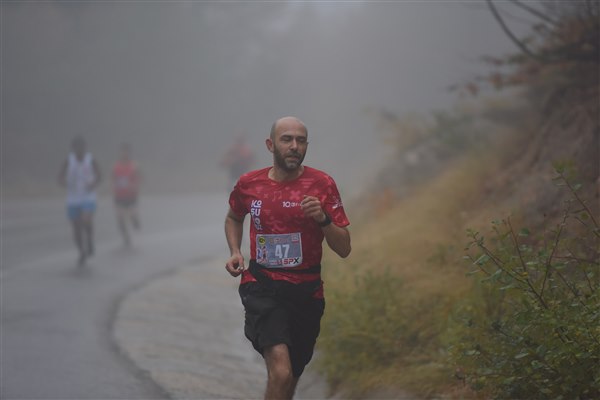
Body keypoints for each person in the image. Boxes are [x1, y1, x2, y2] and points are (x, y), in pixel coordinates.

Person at [224, 116, 351, 400]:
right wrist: (235, 251)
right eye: (287, 139)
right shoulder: (249, 183)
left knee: (291, 375)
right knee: (281, 373)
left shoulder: (322, 184)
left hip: (307, 292)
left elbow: (344, 248)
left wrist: (323, 218)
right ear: (270, 145)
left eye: (300, 140)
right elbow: (234, 216)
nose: (294, 146)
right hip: (262, 286)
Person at [58, 136, 102, 266]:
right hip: (73, 198)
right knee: (76, 227)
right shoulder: (69, 160)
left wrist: (93, 184)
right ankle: (81, 251)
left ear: (85, 148)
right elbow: (60, 176)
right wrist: (63, 182)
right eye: (77, 148)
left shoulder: (90, 159)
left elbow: (99, 175)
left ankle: (89, 240)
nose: (79, 150)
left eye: (82, 147)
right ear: (73, 149)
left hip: (88, 196)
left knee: (86, 219)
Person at [111, 142, 141, 246]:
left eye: (126, 152)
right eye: (122, 152)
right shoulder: (116, 166)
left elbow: (138, 178)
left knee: (132, 215)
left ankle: (135, 220)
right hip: (119, 195)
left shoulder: (134, 166)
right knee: (120, 219)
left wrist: (134, 186)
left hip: (131, 195)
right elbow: (113, 179)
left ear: (129, 153)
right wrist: (113, 187)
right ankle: (126, 237)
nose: (124, 154)